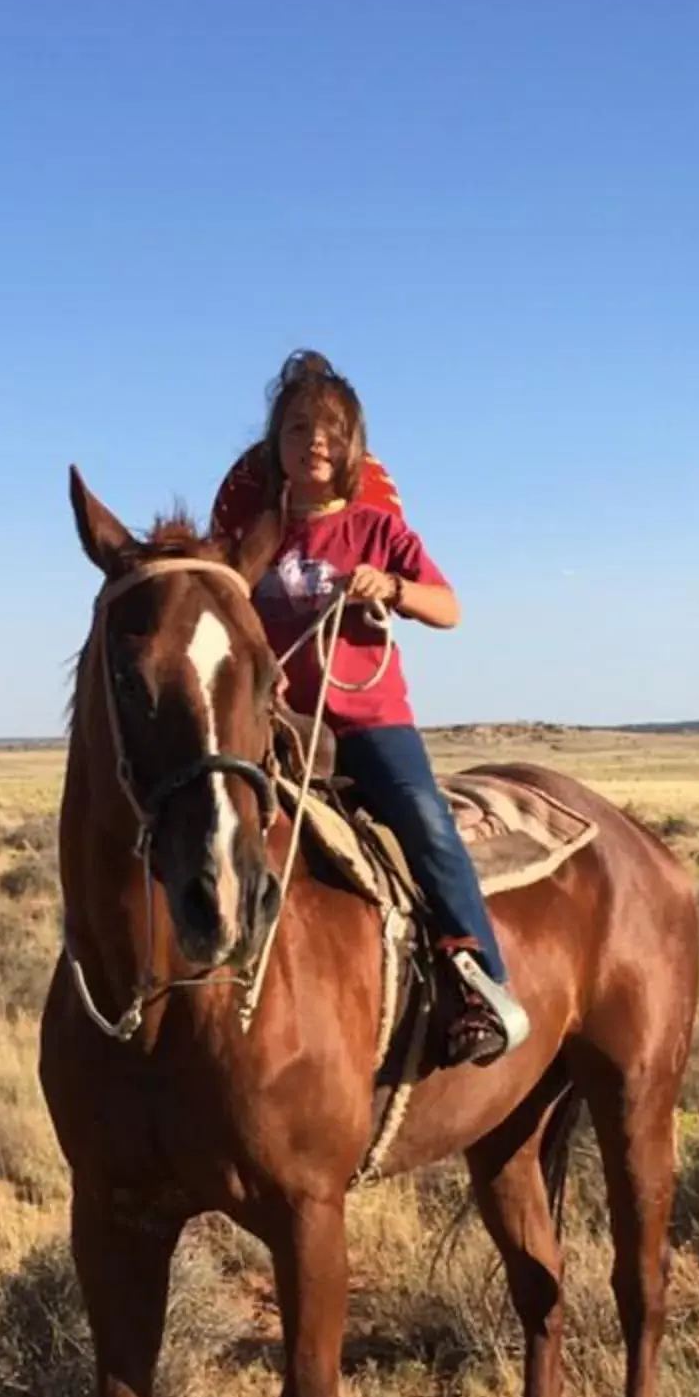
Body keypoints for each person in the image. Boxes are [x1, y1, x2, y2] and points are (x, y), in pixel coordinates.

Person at [216, 350, 532, 1069]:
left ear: (352, 446)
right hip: (280, 728)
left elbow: (447, 609)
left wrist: (391, 588)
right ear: (278, 447)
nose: (314, 442)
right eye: (298, 429)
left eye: (329, 430)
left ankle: (483, 982)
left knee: (425, 824)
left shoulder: (376, 531)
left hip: (368, 721)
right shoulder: (253, 542)